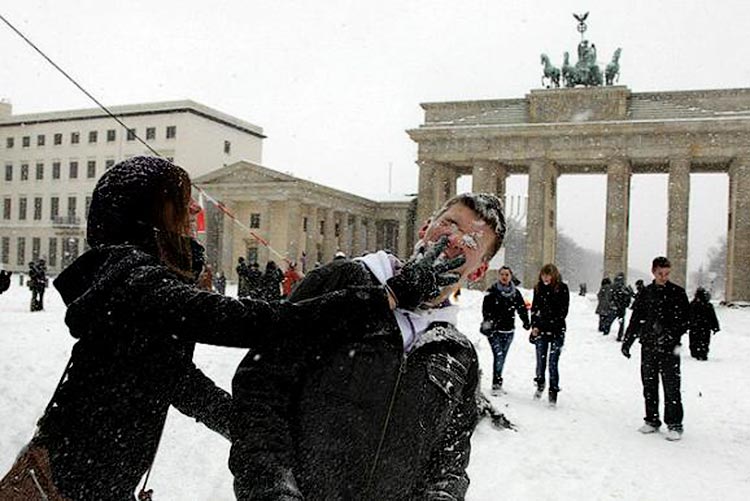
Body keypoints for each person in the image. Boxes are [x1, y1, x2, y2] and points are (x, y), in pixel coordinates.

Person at [0, 156, 441, 501]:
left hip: (96, 474)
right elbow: (257, 324)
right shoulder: (133, 281)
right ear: (150, 212)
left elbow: (174, 379)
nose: (194, 208)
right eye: (181, 199)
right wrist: (385, 297)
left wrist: (247, 429)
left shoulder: (131, 279)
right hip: (76, 477)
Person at [230, 192, 506, 500]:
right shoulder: (344, 280)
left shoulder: (458, 354)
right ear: (425, 227)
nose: (454, 238)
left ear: (480, 270)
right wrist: (271, 488)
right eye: (450, 223)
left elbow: (450, 459)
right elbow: (261, 386)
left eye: (471, 239)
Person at [621, 256, 690, 441]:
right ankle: (652, 419)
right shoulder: (645, 293)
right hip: (649, 345)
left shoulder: (678, 293)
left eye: (667, 274)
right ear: (653, 272)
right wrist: (628, 341)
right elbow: (636, 319)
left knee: (671, 386)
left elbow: (686, 320)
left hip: (670, 347)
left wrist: (671, 334)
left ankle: (675, 424)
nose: (664, 277)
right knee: (649, 384)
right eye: (660, 273)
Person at [480, 265, 530, 395]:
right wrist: (488, 322)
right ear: (499, 276)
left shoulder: (515, 293)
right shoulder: (492, 291)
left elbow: (521, 308)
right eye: (502, 274)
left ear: (510, 276)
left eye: (507, 274)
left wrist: (526, 321)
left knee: (502, 357)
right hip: (494, 331)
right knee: (499, 356)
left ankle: (498, 382)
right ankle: (496, 385)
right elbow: (486, 309)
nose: (504, 277)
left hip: (509, 331)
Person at [529, 263, 570, 406]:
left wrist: (551, 323)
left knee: (553, 362)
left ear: (554, 276)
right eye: (543, 275)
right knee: (541, 362)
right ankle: (540, 383)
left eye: (548, 275)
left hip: (557, 330)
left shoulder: (562, 289)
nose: (546, 278)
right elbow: (534, 308)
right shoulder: (538, 288)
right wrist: (534, 325)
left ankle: (553, 391)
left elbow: (563, 311)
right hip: (541, 330)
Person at [688, 287, 720, 360]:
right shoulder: (708, 305)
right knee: (704, 341)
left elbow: (688, 316)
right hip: (705, 327)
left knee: (694, 340)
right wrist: (715, 327)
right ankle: (703, 352)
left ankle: (696, 352)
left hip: (695, 327)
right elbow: (713, 317)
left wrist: (687, 325)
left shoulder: (693, 304)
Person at [610, 272, 634, 341]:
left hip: (616, 306)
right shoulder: (624, 287)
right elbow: (628, 296)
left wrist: (613, 302)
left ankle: (605, 329)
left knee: (611, 319)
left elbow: (612, 295)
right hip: (622, 307)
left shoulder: (614, 286)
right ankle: (620, 335)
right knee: (621, 322)